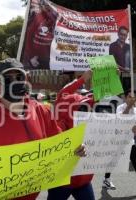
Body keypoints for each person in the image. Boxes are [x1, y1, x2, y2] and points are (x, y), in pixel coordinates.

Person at [0, 58, 86, 199]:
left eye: (19, 77)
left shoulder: (42, 111)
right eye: (7, 78)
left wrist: (75, 147)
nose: (15, 82)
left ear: (26, 79)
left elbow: (59, 140)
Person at [47, 70, 95, 200]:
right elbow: (63, 95)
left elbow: (98, 98)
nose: (87, 109)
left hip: (83, 180)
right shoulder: (59, 123)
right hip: (62, 180)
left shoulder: (90, 118)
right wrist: (82, 79)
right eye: (82, 107)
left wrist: (111, 79)